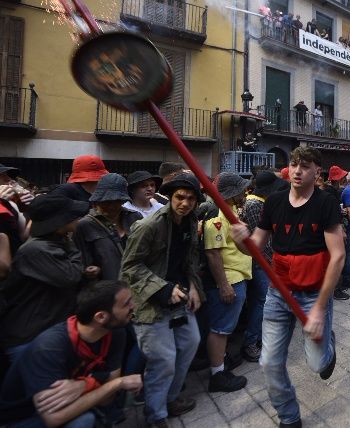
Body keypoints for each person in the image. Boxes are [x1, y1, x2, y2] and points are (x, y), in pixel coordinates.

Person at [231, 147, 344, 428]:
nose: (296, 170)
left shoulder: (326, 203)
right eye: (294, 164)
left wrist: (319, 310)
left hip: (314, 295)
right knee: (269, 363)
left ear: (317, 171)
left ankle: (327, 343)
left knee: (318, 365)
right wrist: (239, 240)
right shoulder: (274, 203)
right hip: (278, 294)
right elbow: (253, 250)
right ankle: (289, 416)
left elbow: (338, 255)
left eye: (304, 166)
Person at [120, 173, 204, 425]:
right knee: (163, 360)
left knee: (190, 344)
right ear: (170, 197)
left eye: (191, 198)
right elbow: (130, 267)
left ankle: (170, 398)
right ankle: (156, 414)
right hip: (149, 303)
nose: (185, 203)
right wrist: (163, 289)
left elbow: (189, 258)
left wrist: (195, 287)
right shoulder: (149, 225)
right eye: (180, 197)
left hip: (180, 298)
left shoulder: (190, 221)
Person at [0, 280, 142, 427]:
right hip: (24, 417)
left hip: (74, 404)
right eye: (126, 304)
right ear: (101, 317)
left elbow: (108, 398)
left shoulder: (115, 332)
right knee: (84, 421)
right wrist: (117, 384)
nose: (134, 306)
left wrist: (85, 385)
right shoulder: (49, 348)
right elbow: (54, 418)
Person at [0, 194, 89, 363]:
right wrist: (73, 247)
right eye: (72, 215)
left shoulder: (55, 243)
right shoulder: (35, 250)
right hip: (30, 338)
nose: (78, 218)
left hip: (45, 334)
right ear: (58, 223)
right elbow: (70, 276)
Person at [201, 173, 252, 392]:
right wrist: (224, 285)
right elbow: (213, 254)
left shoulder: (227, 212)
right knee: (220, 329)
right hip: (230, 279)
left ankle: (220, 364)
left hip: (236, 276)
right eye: (241, 190)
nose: (244, 193)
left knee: (224, 328)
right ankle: (217, 375)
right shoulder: (216, 216)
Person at [73, 173, 143, 281]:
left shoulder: (135, 218)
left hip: (135, 286)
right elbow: (77, 261)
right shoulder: (84, 225)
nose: (111, 206)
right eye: (106, 202)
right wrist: (89, 270)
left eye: (116, 201)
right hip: (105, 289)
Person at [241, 170, 280, 361]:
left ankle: (258, 337)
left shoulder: (258, 202)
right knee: (260, 301)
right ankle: (251, 341)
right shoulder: (255, 204)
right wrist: (269, 262)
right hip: (260, 262)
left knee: (263, 300)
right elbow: (260, 239)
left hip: (264, 260)